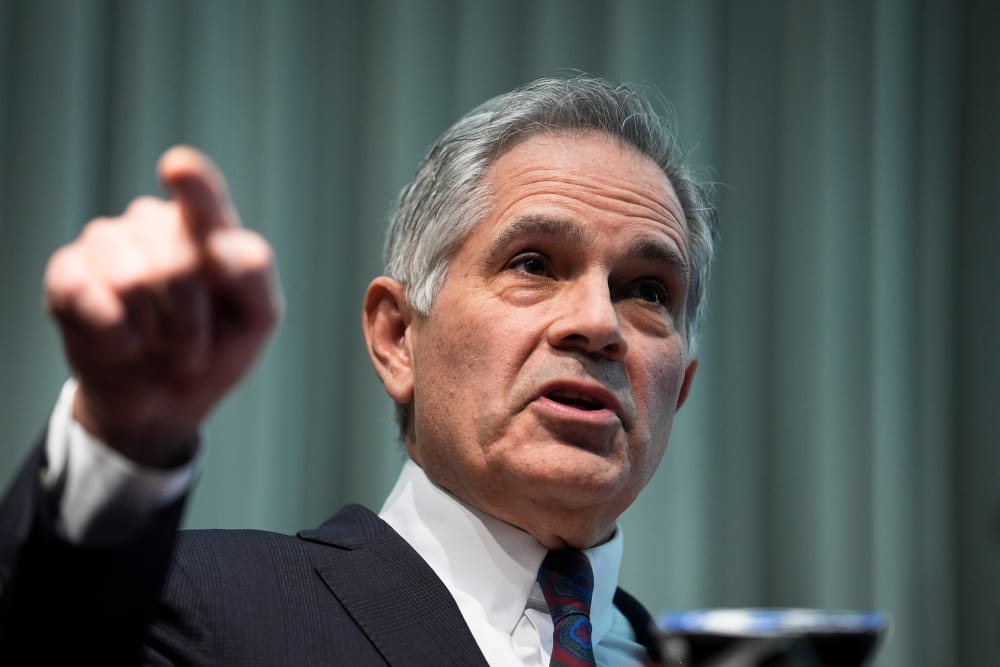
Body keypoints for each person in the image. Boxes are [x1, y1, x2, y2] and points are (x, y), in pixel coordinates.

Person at [0, 76, 715, 665]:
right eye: (533, 264)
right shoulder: (191, 607)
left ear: (678, 391)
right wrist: (123, 440)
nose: (598, 322)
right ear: (398, 337)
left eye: (648, 291)